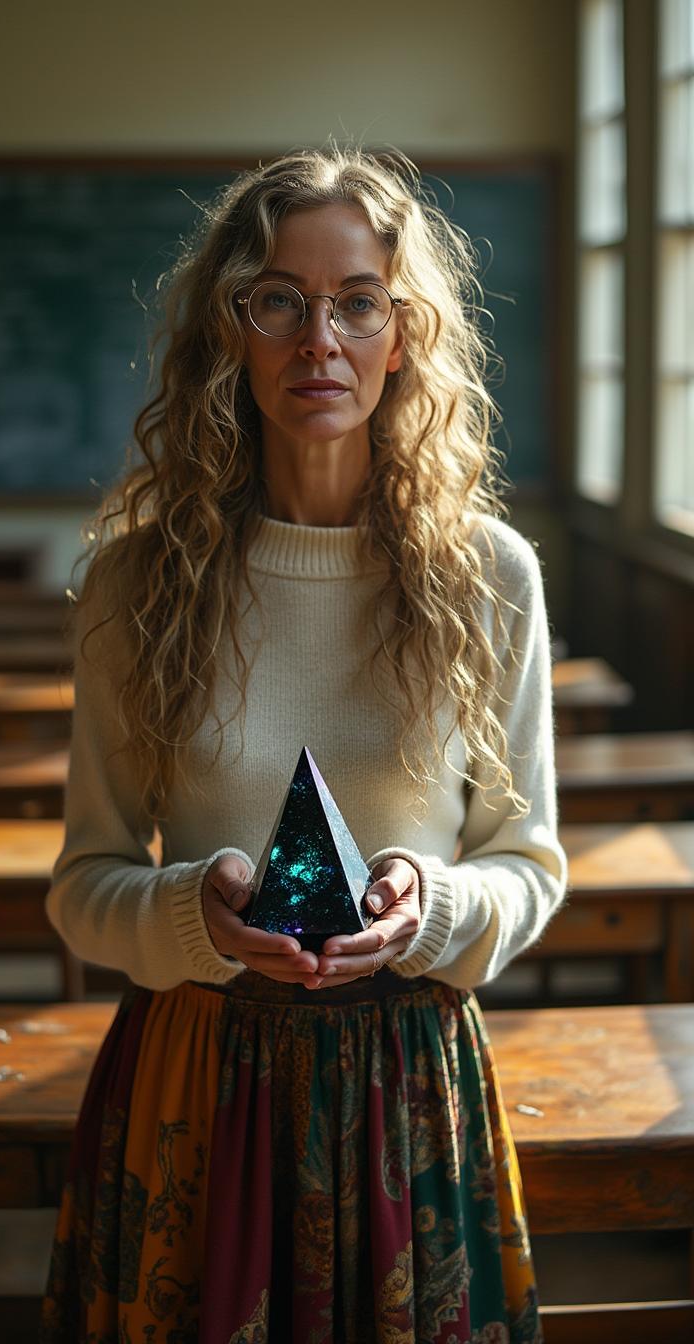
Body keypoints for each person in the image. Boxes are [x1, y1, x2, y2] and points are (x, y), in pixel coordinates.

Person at [39, 145, 567, 1344]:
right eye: (277, 298)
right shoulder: (138, 583)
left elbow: (529, 867)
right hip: (197, 1081)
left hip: (409, 1092)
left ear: (404, 333)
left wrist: (427, 906)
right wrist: (192, 909)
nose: (317, 338)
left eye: (358, 302)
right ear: (230, 329)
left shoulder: (490, 578)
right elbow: (84, 887)